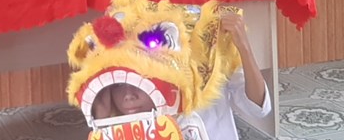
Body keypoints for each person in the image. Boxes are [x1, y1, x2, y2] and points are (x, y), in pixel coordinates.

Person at [90, 13, 271, 140]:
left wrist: (244, 47)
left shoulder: (209, 46)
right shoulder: (128, 39)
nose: (129, 95)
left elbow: (258, 108)